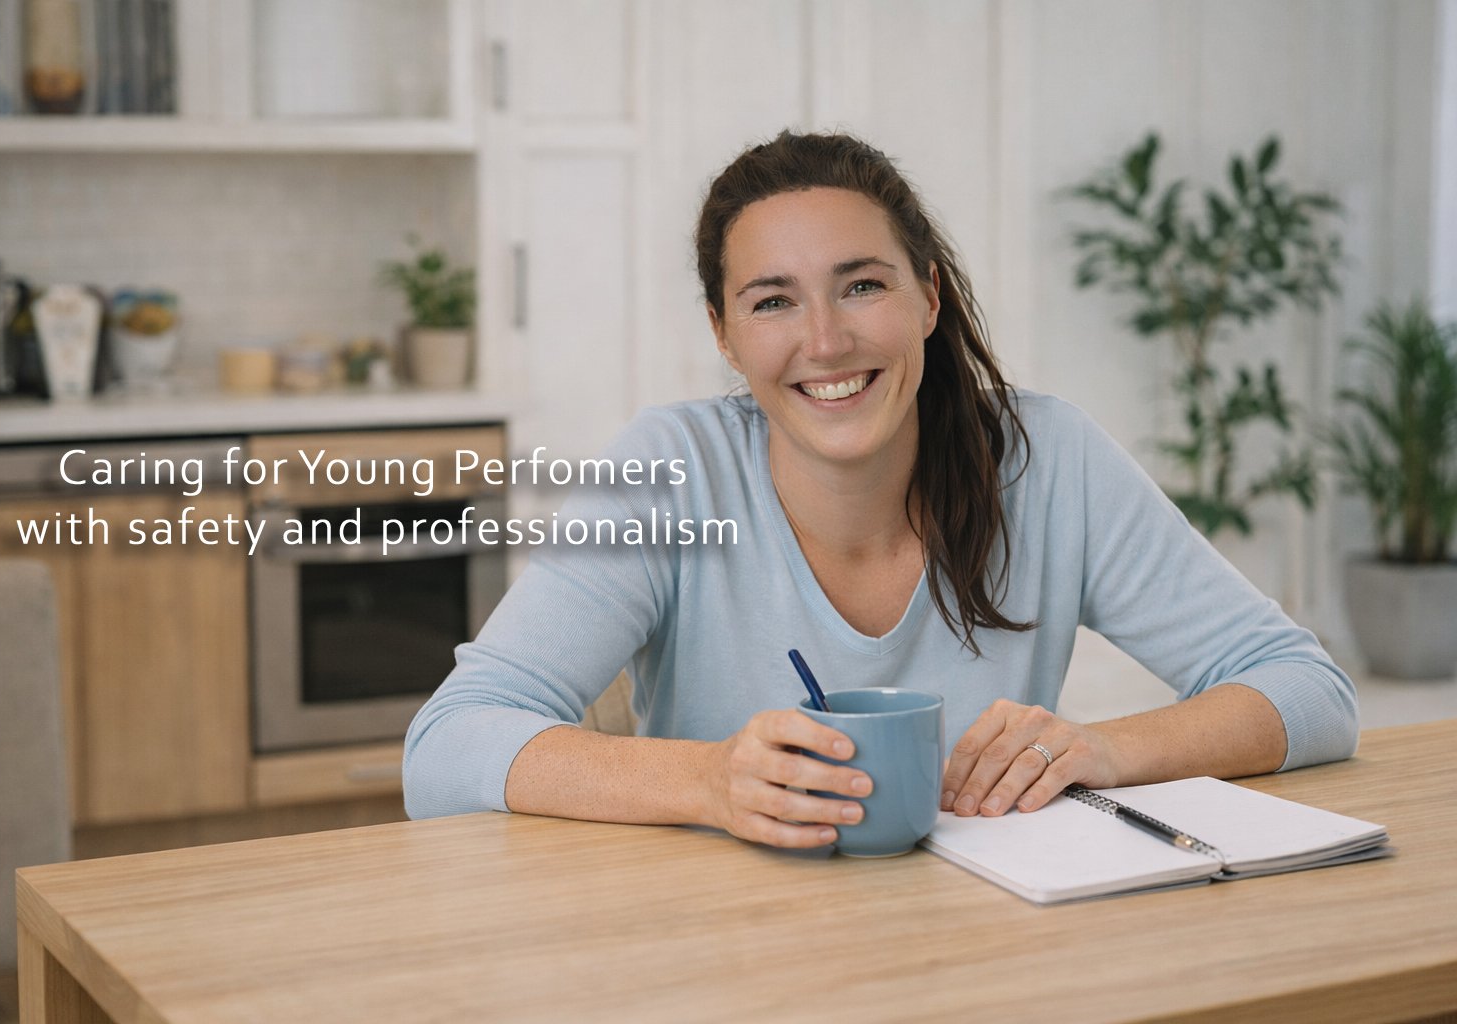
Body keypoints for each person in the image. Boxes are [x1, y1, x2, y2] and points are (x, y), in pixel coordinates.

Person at [403, 130, 1357, 849]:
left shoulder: (1047, 459)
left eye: (862, 286)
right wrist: (707, 783)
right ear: (725, 335)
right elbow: (448, 745)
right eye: (773, 300)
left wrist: (1103, 751)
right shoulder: (672, 472)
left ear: (929, 299)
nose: (824, 341)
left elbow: (1308, 691)